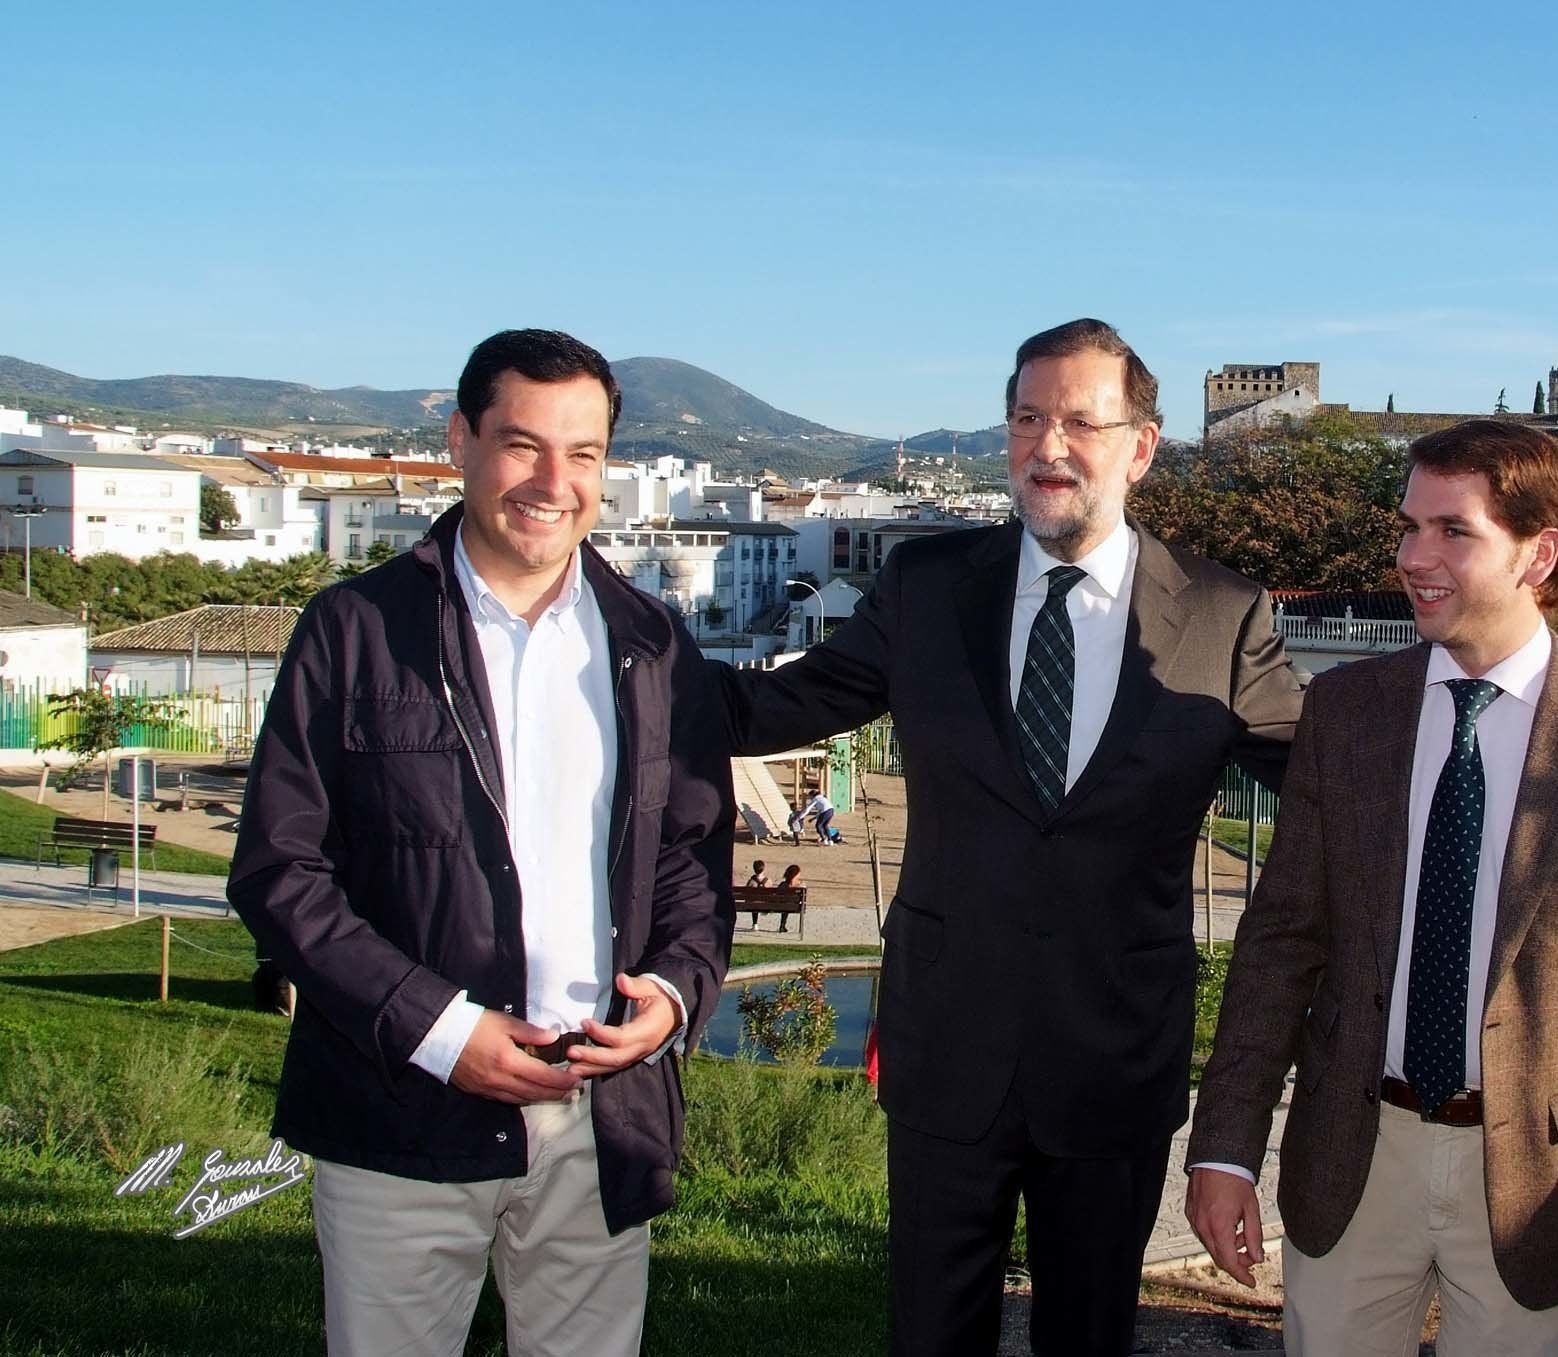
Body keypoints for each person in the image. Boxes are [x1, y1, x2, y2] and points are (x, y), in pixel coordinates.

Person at [709, 318, 1304, 1356]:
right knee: (932, 1335)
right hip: (949, 1048)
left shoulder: (1224, 614)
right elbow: (779, 707)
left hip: (1115, 1056)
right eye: (1028, 417)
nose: (1049, 444)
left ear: (1141, 445)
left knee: (1090, 1336)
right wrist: (610, 666)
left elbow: (1329, 778)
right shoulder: (929, 585)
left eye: (1082, 419)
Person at [228, 329, 735, 1357]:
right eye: (523, 444)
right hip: (398, 1117)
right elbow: (281, 870)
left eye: (584, 453)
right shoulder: (353, 630)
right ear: (460, 440)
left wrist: (676, 992)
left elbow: (689, 849)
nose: (555, 481)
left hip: (600, 1122)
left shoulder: (652, 642)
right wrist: (445, 1032)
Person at [1186, 419, 1558, 1355]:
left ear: (1537, 552)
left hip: (1531, 1187)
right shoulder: (1346, 714)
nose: (1411, 557)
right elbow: (1279, 948)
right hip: (1353, 1159)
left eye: (1451, 531)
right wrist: (1224, 1147)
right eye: (1407, 527)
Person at [746, 857, 774, 930]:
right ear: (763, 869)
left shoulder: (751, 881)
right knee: (758, 902)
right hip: (765, 904)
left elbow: (746, 893)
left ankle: (755, 924)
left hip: (753, 905)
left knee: (754, 902)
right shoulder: (768, 881)